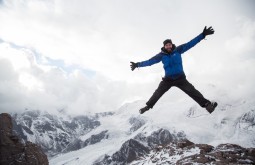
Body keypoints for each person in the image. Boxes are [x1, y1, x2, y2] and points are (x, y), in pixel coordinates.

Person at [130, 26, 218, 114]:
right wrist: (137, 64)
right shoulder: (161, 56)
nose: (168, 46)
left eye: (170, 44)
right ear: (164, 46)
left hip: (180, 78)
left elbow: (190, 44)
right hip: (168, 80)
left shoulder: (178, 50)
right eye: (166, 45)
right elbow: (149, 62)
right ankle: (147, 106)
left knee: (192, 91)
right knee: (158, 92)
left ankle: (208, 105)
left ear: (171, 45)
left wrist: (202, 35)